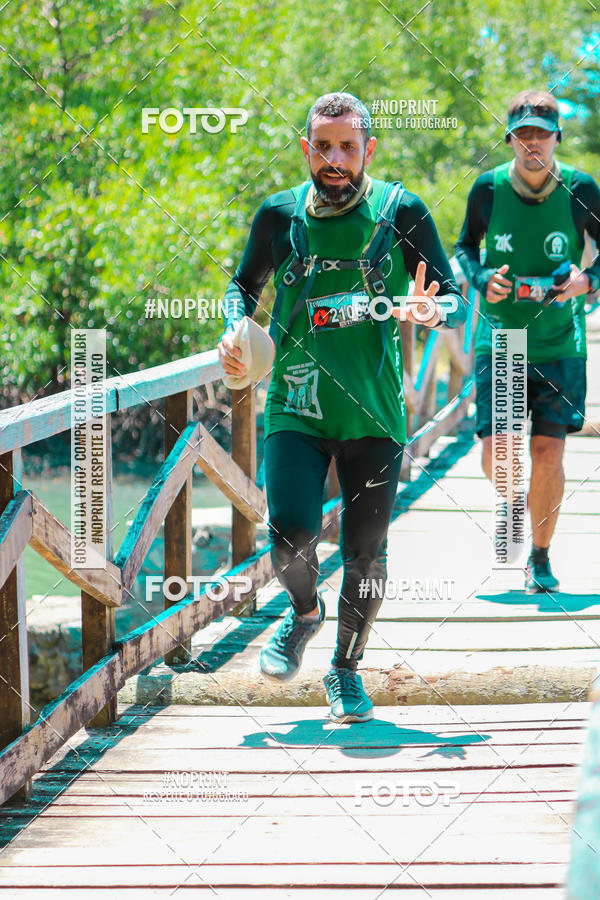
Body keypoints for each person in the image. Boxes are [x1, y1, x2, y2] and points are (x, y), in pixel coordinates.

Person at [218, 92, 466, 721]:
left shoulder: (401, 210)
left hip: (374, 414)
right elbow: (242, 287)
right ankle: (304, 614)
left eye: (347, 147)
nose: (335, 159)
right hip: (296, 405)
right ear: (307, 149)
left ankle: (346, 670)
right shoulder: (278, 215)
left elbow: (454, 297)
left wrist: (434, 309)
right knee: (289, 535)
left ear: (368, 151)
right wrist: (232, 330)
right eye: (323, 147)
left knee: (366, 553)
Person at [456, 89, 600, 593]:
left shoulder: (582, 188)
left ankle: (539, 556)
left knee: (547, 454)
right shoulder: (488, 189)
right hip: (503, 340)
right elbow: (464, 247)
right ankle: (515, 502)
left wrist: (586, 280)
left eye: (541, 133)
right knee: (497, 454)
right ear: (510, 140)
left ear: (557, 136)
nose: (532, 143)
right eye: (522, 135)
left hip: (560, 343)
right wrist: (480, 279)